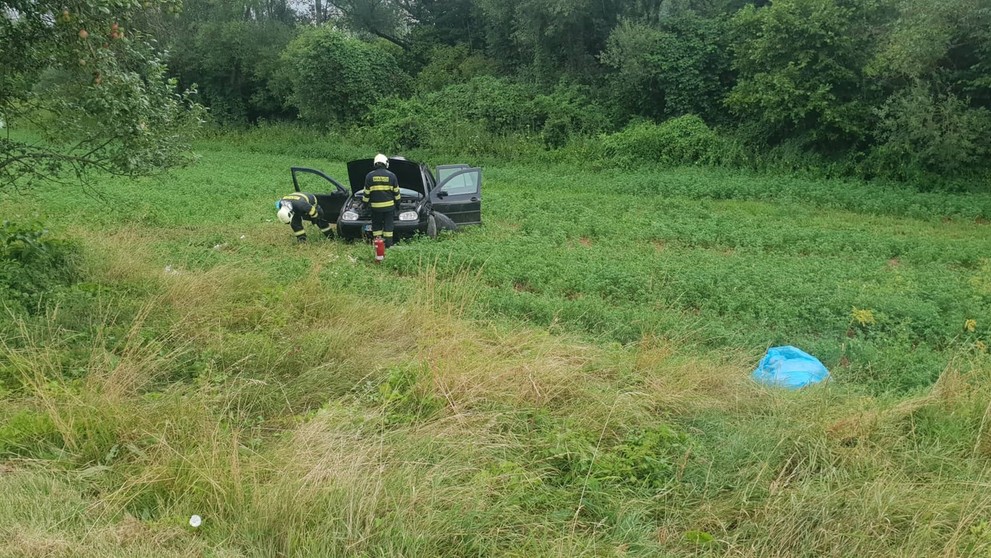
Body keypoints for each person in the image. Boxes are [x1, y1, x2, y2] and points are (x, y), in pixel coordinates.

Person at [362, 153, 401, 247]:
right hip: (389, 208)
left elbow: (366, 194)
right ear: (385, 163)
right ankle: (388, 245)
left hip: (375, 208)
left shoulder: (369, 176)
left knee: (376, 228)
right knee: (388, 227)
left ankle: (378, 246)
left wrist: (364, 205)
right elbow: (396, 193)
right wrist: (398, 205)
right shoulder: (392, 176)